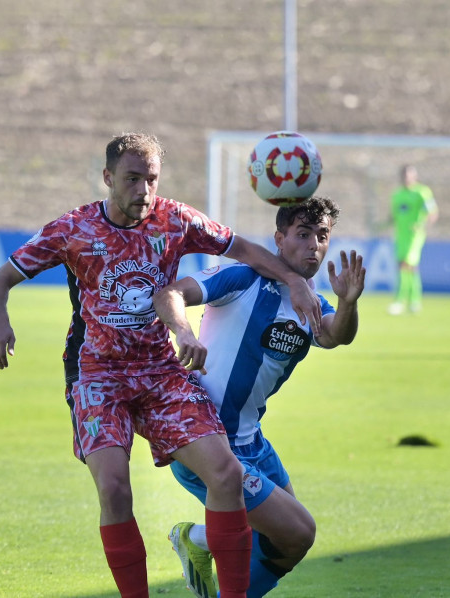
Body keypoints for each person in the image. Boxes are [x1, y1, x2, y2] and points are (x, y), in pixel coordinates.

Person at [0, 132, 323, 598]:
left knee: (225, 475)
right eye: (132, 179)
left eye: (152, 180)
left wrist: (293, 280)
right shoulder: (73, 229)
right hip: (97, 377)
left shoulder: (175, 220)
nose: (143, 191)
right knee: (116, 491)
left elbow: (244, 250)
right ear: (108, 178)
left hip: (160, 372)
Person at [154, 196, 365, 598]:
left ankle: (198, 539)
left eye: (322, 236)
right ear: (279, 239)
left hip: (251, 440)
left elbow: (337, 334)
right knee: (299, 531)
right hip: (206, 440)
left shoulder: (312, 304)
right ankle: (200, 544)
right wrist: (183, 331)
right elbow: (169, 295)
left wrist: (348, 302)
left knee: (284, 542)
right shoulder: (243, 279)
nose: (314, 245)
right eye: (302, 235)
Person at [389, 164, 438, 315]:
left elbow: (432, 212)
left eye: (409, 175)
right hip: (401, 236)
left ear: (414, 176)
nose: (407, 178)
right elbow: (394, 216)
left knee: (406, 264)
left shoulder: (422, 192)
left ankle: (400, 301)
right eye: (404, 175)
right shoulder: (397, 195)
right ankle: (415, 301)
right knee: (408, 267)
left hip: (415, 236)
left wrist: (423, 226)